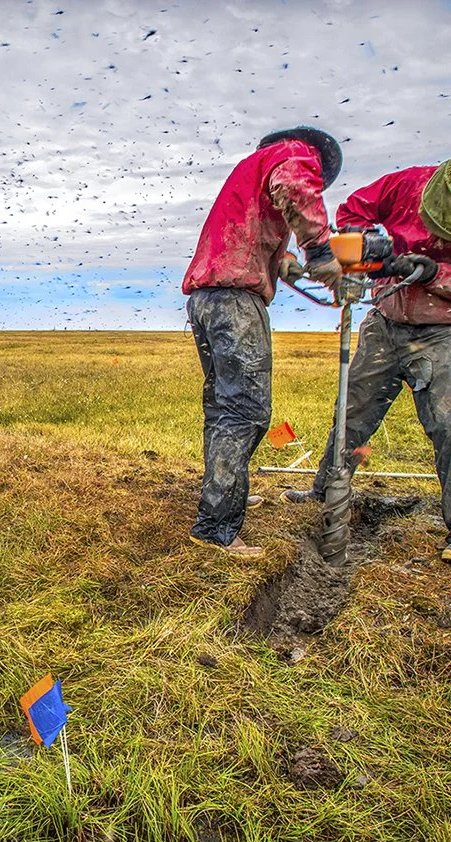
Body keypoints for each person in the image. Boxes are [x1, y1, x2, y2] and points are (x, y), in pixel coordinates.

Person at [282, 138, 451, 565]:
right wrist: (374, 245)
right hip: (385, 320)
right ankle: (325, 494)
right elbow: (354, 209)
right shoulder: (408, 185)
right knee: (352, 413)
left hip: (444, 332)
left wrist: (440, 273)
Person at [182, 127, 344, 559]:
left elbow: (255, 236)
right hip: (235, 301)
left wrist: (285, 265)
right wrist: (321, 251)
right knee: (247, 412)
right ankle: (217, 527)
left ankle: (225, 496)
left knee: (223, 408)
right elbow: (295, 187)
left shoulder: (249, 174)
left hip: (207, 298)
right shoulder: (294, 154)